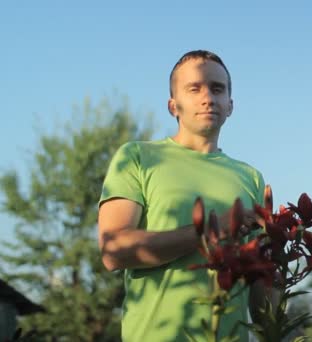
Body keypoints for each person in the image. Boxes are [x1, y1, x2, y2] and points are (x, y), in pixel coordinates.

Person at [97, 50, 267, 341]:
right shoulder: (138, 157)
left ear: (230, 105)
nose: (208, 97)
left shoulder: (251, 177)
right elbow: (114, 251)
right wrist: (211, 230)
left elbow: (261, 286)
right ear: (173, 105)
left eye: (217, 89)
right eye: (194, 88)